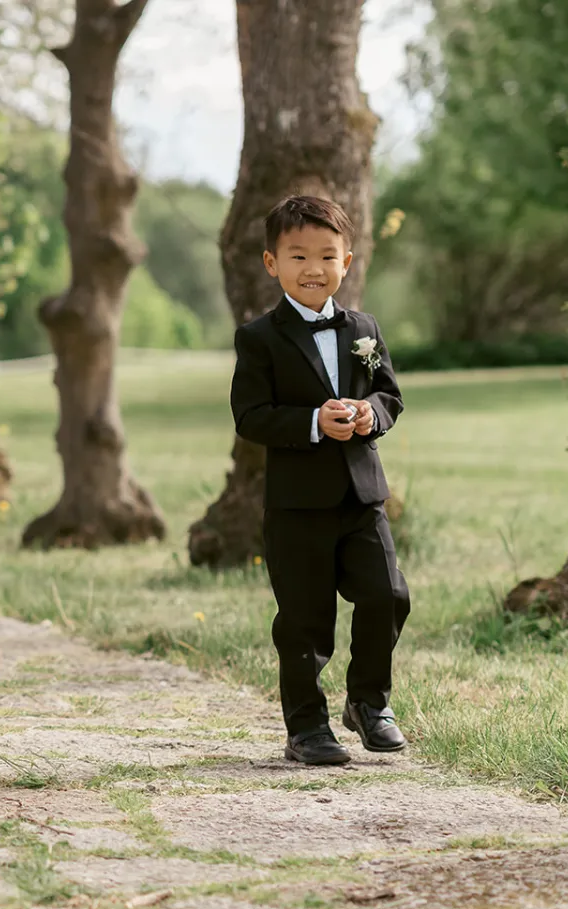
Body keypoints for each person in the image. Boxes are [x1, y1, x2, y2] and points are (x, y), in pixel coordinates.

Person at [231, 195, 411, 766]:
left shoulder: (363, 327)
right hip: (297, 505)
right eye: (299, 256)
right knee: (305, 621)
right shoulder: (260, 337)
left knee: (388, 596)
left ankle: (368, 704)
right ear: (271, 263)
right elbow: (250, 415)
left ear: (347, 262)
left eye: (327, 256)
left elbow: (389, 395)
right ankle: (306, 728)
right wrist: (312, 421)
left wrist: (368, 415)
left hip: (362, 495)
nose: (314, 268)